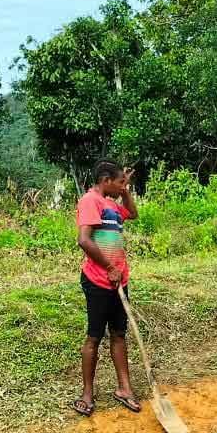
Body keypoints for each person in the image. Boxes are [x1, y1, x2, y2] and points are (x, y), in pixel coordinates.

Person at [74, 161, 140, 416]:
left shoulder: (112, 204)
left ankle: (124, 388)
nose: (123, 186)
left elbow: (132, 214)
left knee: (119, 334)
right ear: (105, 180)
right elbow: (84, 240)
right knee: (94, 337)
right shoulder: (91, 201)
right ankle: (87, 394)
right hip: (98, 280)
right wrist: (109, 268)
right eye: (120, 182)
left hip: (119, 280)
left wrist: (125, 192)